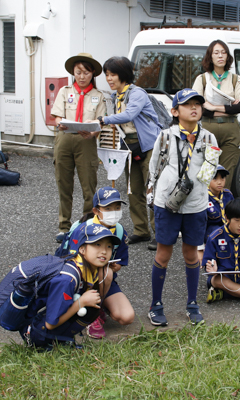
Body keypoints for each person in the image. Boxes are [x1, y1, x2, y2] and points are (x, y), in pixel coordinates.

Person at [146, 88, 217, 326]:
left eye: (198, 104)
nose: (194, 108)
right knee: (163, 253)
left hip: (195, 205)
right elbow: (154, 167)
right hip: (167, 203)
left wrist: (193, 184)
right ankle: (155, 304)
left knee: (190, 253)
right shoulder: (165, 137)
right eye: (188, 105)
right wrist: (157, 194)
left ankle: (192, 304)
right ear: (175, 111)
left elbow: (209, 172)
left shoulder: (208, 138)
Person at [0, 225, 120, 350]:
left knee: (91, 305)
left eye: (109, 246)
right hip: (20, 319)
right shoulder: (67, 278)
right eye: (97, 244)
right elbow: (51, 323)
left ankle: (57, 340)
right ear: (82, 249)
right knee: (88, 305)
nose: (104, 251)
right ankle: (37, 339)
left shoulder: (78, 264)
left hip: (27, 313)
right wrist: (81, 303)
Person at [95, 57, 160, 250]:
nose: (109, 78)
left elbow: (129, 115)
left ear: (123, 74)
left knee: (153, 192)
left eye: (112, 74)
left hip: (149, 146)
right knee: (133, 191)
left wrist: (104, 119)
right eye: (107, 74)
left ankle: (161, 234)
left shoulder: (136, 93)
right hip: (129, 148)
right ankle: (141, 230)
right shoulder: (117, 95)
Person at [51, 53, 106, 243]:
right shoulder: (65, 91)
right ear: (73, 73)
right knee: (64, 185)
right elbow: (56, 117)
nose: (82, 77)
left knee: (88, 184)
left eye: (86, 72)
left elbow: (100, 123)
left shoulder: (98, 96)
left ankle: (87, 224)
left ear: (93, 74)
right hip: (64, 140)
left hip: (86, 142)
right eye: (78, 72)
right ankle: (63, 227)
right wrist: (60, 123)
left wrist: (93, 133)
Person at [67, 187, 135, 339]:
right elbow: (69, 262)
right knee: (106, 272)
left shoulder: (119, 230)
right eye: (108, 208)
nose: (114, 211)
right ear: (96, 210)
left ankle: (101, 304)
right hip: (80, 282)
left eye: (117, 207)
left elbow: (120, 263)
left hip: (104, 281)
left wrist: (113, 266)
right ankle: (92, 315)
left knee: (127, 317)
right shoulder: (83, 228)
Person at [192, 40, 240, 189]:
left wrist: (212, 107)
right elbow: (197, 107)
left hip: (231, 129)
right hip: (208, 127)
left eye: (223, 52)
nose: (220, 56)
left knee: (226, 173)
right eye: (216, 53)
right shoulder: (202, 79)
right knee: (207, 170)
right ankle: (207, 206)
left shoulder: (236, 79)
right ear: (210, 56)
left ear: (228, 56)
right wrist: (227, 107)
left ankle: (223, 207)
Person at [198, 164, 234, 262]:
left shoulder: (228, 194)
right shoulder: (203, 197)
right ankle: (218, 257)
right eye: (214, 178)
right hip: (211, 231)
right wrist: (200, 248)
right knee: (218, 232)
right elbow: (199, 224)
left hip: (227, 227)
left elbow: (234, 213)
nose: (220, 182)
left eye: (222, 178)